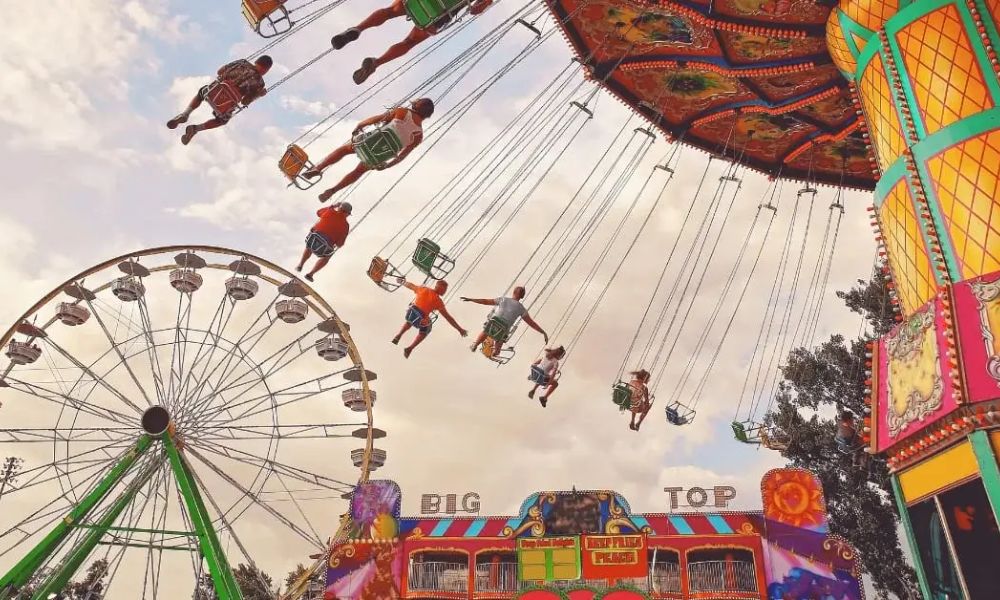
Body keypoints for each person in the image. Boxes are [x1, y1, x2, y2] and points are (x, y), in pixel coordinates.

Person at [330, 0, 495, 85]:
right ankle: (376, 63)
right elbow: (476, 10)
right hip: (438, 14)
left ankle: (359, 28)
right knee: (409, 42)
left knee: (389, 12)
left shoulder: (402, 114)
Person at [303, 99, 434, 202]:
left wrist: (361, 125)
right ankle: (333, 190)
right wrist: (388, 165)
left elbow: (378, 119)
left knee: (343, 150)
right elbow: (401, 157)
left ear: (417, 105)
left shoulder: (403, 112)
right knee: (359, 171)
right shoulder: (418, 135)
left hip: (368, 143)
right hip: (378, 156)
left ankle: (318, 168)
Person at [167, 56, 273, 145]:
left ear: (256, 61)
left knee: (202, 92)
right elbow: (245, 102)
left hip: (214, 91)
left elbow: (220, 71)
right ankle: (195, 129)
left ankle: (185, 114)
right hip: (226, 106)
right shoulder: (260, 84)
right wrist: (258, 94)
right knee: (222, 121)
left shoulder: (243, 62)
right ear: (266, 70)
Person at [391, 277, 467, 358]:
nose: (445, 292)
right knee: (427, 328)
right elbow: (448, 318)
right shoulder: (438, 301)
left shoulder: (423, 289)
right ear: (439, 288)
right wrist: (459, 329)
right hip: (421, 319)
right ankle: (410, 348)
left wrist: (401, 282)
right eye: (444, 290)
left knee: (411, 320)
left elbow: (411, 285)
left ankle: (399, 335)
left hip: (411, 313)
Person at [460, 286, 547, 356]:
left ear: (513, 292)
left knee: (486, 331)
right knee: (500, 339)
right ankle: (496, 352)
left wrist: (471, 299)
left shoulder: (503, 299)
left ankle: (475, 344)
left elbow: (485, 301)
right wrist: (542, 332)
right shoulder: (521, 309)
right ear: (522, 296)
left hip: (494, 322)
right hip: (504, 328)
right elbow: (531, 323)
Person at [296, 202, 351, 282]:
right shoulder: (346, 226)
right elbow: (340, 244)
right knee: (327, 257)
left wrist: (333, 206)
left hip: (313, 239)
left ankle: (300, 264)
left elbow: (318, 212)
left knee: (309, 247)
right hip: (324, 248)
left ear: (339, 208)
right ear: (347, 213)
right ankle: (310, 274)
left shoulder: (329, 211)